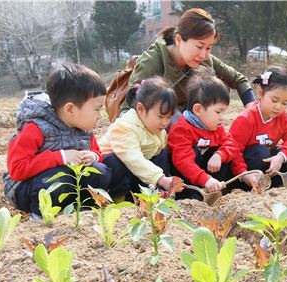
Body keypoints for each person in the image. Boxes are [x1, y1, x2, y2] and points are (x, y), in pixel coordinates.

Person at [3, 64, 111, 219]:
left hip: (65, 183)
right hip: (28, 188)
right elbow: (17, 169)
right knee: (58, 179)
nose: (99, 115)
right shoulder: (36, 128)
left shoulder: (84, 129)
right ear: (70, 109)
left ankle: (83, 210)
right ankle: (40, 216)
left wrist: (92, 156)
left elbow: (97, 153)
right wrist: (61, 157)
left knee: (101, 171)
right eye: (97, 109)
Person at [120, 8, 255, 119]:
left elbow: (238, 79)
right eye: (199, 46)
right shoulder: (153, 62)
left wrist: (252, 109)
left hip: (192, 124)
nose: (203, 54)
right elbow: (128, 108)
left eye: (208, 47)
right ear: (178, 40)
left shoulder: (205, 59)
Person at [98, 77, 176, 200]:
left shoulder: (156, 128)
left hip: (135, 169)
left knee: (160, 155)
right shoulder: (125, 127)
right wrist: (160, 178)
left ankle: (156, 194)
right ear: (140, 109)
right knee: (114, 161)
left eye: (168, 117)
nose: (165, 123)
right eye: (161, 116)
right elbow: (132, 158)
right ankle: (119, 199)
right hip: (113, 171)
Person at [168, 73, 239, 199]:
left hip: (209, 179)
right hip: (189, 182)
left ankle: (216, 193)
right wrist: (205, 179)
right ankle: (192, 197)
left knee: (220, 152)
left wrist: (219, 155)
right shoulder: (181, 129)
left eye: (223, 112)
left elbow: (232, 144)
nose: (222, 117)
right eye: (218, 112)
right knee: (193, 152)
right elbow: (183, 162)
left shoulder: (216, 127)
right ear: (198, 110)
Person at [228, 66, 287, 189]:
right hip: (246, 170)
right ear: (260, 92)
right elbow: (233, 150)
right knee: (260, 152)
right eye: (274, 100)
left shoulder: (282, 117)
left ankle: (275, 187)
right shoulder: (246, 119)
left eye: (285, 103)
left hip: (267, 166)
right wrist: (244, 174)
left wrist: (280, 157)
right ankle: (249, 186)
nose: (278, 107)